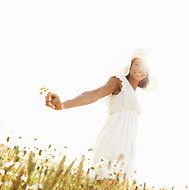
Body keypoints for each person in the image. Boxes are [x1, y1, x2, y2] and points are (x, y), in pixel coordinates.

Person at [45, 49, 158, 181]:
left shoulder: (133, 93)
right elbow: (92, 95)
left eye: (144, 66)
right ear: (130, 65)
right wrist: (63, 104)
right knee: (104, 179)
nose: (140, 69)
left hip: (128, 143)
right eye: (137, 64)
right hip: (114, 137)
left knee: (117, 185)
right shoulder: (119, 81)